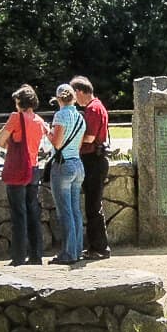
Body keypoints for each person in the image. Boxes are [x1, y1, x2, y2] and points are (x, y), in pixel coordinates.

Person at [0, 84, 49, 266]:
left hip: (18, 170)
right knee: (33, 213)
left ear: (20, 102)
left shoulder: (15, 118)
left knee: (19, 214)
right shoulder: (39, 121)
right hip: (34, 170)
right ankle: (36, 256)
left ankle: (18, 257)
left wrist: (12, 148)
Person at [70, 75, 111, 260]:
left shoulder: (93, 109)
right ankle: (96, 246)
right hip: (94, 160)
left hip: (93, 160)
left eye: (74, 94)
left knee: (93, 207)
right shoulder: (96, 106)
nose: (74, 98)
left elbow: (89, 137)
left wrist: (71, 143)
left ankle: (100, 248)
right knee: (93, 206)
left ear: (79, 91)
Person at [48, 83, 86, 264]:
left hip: (63, 166)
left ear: (58, 99)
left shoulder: (60, 115)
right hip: (78, 164)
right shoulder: (80, 117)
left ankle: (68, 253)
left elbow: (56, 142)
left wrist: (46, 132)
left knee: (65, 212)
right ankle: (77, 250)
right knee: (75, 210)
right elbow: (77, 146)